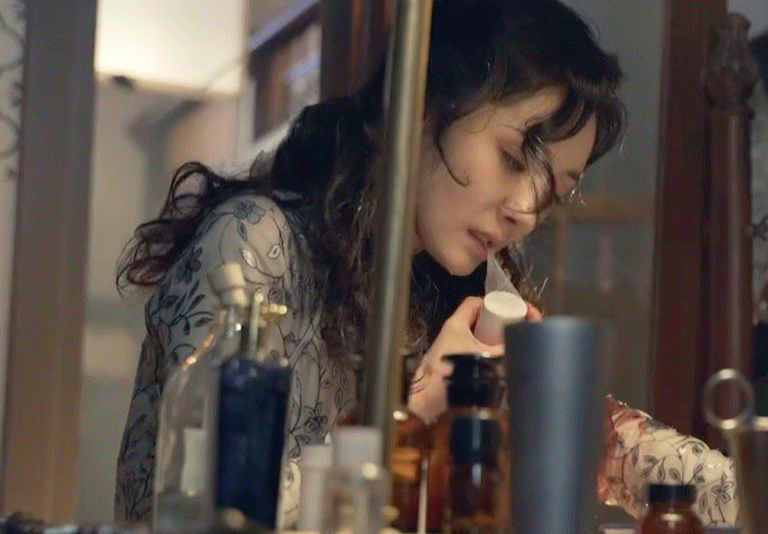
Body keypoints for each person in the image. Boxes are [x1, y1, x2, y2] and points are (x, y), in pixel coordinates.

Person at [114, 0, 735, 528]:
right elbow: (200, 510)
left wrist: (744, 485)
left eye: (553, 191)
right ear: (425, 107)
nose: (526, 211)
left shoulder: (466, 281)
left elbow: (612, 447)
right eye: (513, 158)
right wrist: (417, 412)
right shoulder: (251, 243)